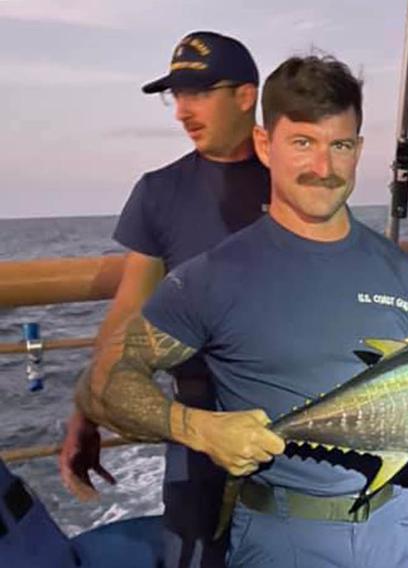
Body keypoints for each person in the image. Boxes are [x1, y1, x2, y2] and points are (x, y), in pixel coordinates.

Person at [75, 53, 408, 568]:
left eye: (339, 145)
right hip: (285, 534)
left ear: (359, 150)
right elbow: (102, 384)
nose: (323, 168)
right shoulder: (211, 277)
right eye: (302, 143)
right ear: (263, 144)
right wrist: (199, 429)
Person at [58, 31, 269, 568]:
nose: (181, 111)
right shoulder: (159, 191)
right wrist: (87, 413)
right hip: (194, 427)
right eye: (174, 95)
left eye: (196, 92)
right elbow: (129, 312)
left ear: (246, 96)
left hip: (286, 422)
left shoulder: (298, 180)